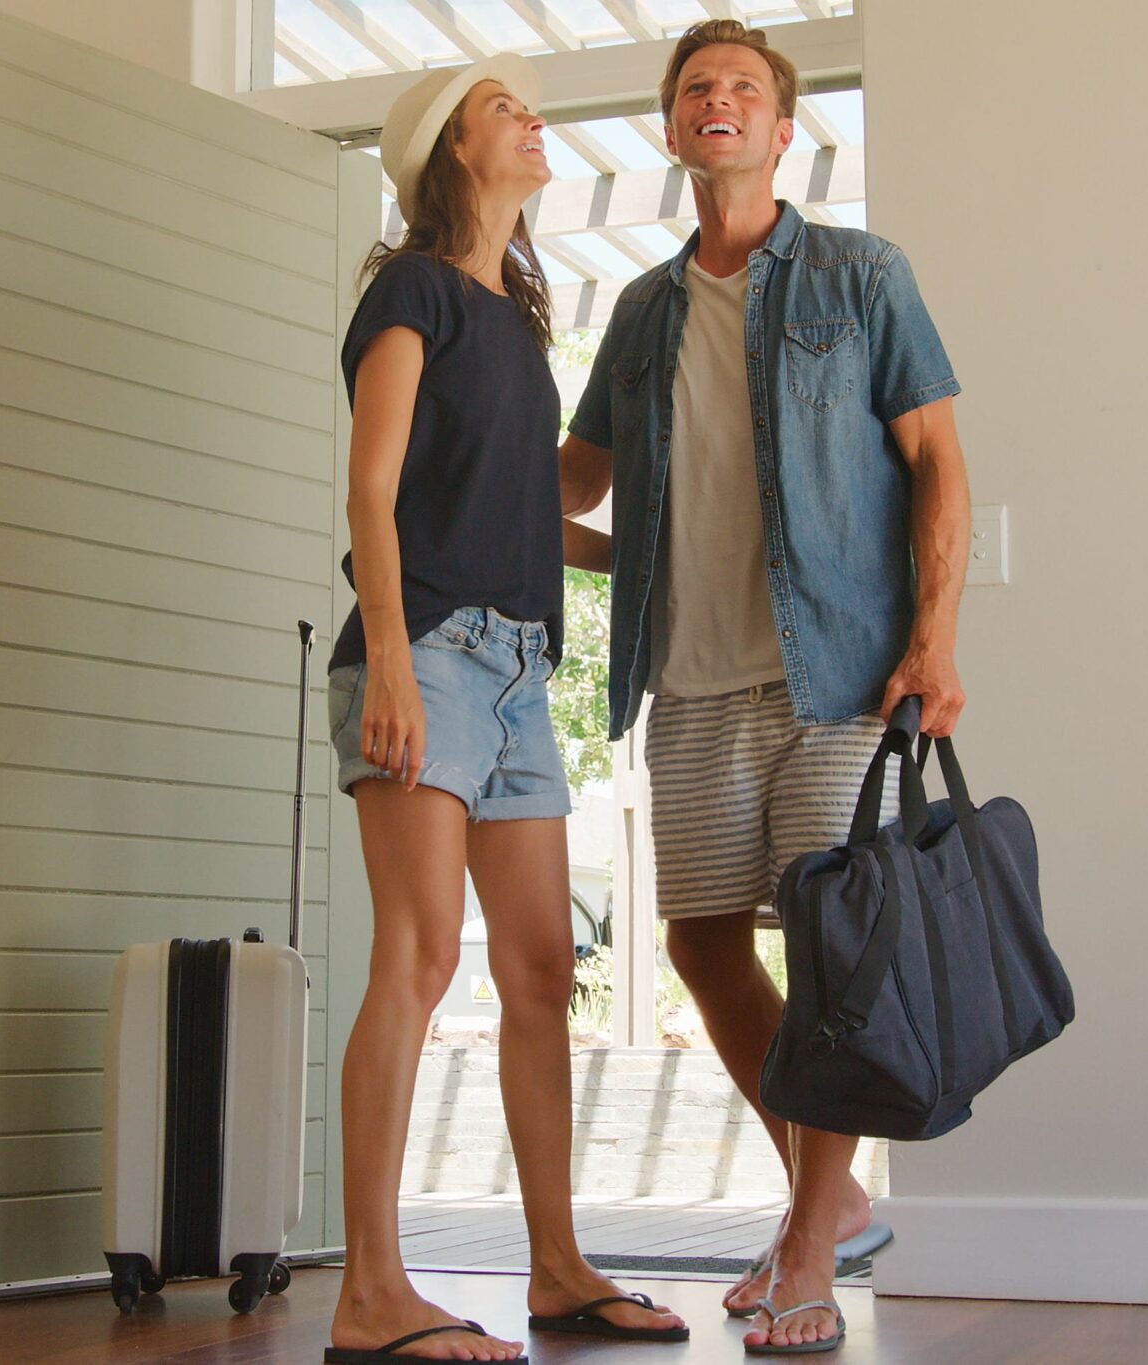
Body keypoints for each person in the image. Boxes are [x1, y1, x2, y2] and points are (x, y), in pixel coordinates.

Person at [559, 20, 972, 1357]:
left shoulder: (861, 276)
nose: (717, 102)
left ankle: (804, 1233)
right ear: (675, 134)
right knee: (696, 938)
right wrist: (455, 480)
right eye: (695, 91)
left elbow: (939, 464)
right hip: (689, 678)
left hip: (839, 674)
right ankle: (835, 1192)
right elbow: (577, 482)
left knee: (833, 950)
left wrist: (938, 637)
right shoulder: (639, 310)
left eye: (744, 86)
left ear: (784, 129)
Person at [323, 55, 690, 1365]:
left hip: (520, 669)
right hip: (423, 649)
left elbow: (532, 510)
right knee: (418, 959)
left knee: (541, 971)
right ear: (447, 155)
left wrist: (654, 550)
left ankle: (556, 1266)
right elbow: (372, 491)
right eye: (503, 109)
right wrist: (395, 663)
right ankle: (372, 1290)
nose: (532, 122)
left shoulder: (517, 319)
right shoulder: (410, 291)